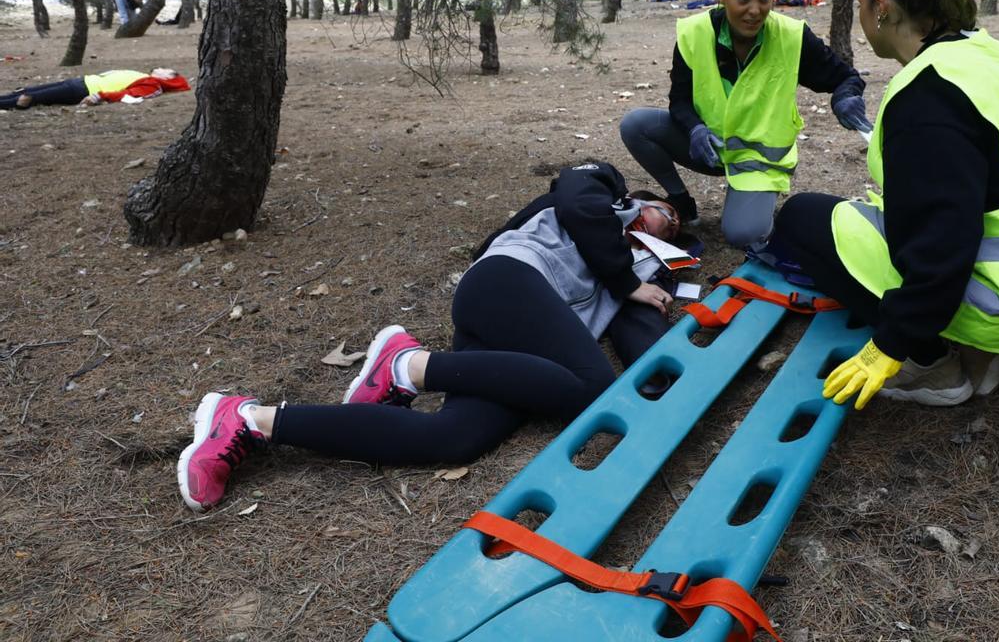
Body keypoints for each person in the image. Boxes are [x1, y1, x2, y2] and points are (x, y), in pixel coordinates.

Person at [177, 162, 684, 511]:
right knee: (592, 385)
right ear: (641, 198)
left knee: (454, 439)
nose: (669, 224)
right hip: (506, 283)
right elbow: (574, 200)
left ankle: (250, 421)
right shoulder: (601, 188)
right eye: (667, 211)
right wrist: (624, 278)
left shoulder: (641, 267)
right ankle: (408, 365)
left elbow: (636, 328)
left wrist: (666, 376)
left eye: (676, 229)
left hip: (527, 342)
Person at [767, 0, 999, 409]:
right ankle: (988, 350)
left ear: (881, 6)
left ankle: (933, 367)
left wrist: (892, 344)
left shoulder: (927, 94)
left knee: (802, 217)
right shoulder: (996, 56)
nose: (859, 17)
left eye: (859, 5)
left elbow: (944, 243)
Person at [619, 0, 869, 254]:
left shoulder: (791, 38)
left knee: (741, 234)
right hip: (710, 148)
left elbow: (846, 77)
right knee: (635, 125)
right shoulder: (695, 33)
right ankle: (682, 201)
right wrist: (695, 129)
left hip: (758, 163)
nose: (755, 10)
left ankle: (754, 208)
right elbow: (679, 101)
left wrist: (845, 97)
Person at [0, 68, 190, 110]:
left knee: (29, 97)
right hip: (80, 82)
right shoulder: (145, 76)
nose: (160, 68)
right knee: (24, 91)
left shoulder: (153, 85)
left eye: (166, 70)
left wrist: (99, 96)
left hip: (82, 90)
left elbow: (128, 94)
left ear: (169, 77)